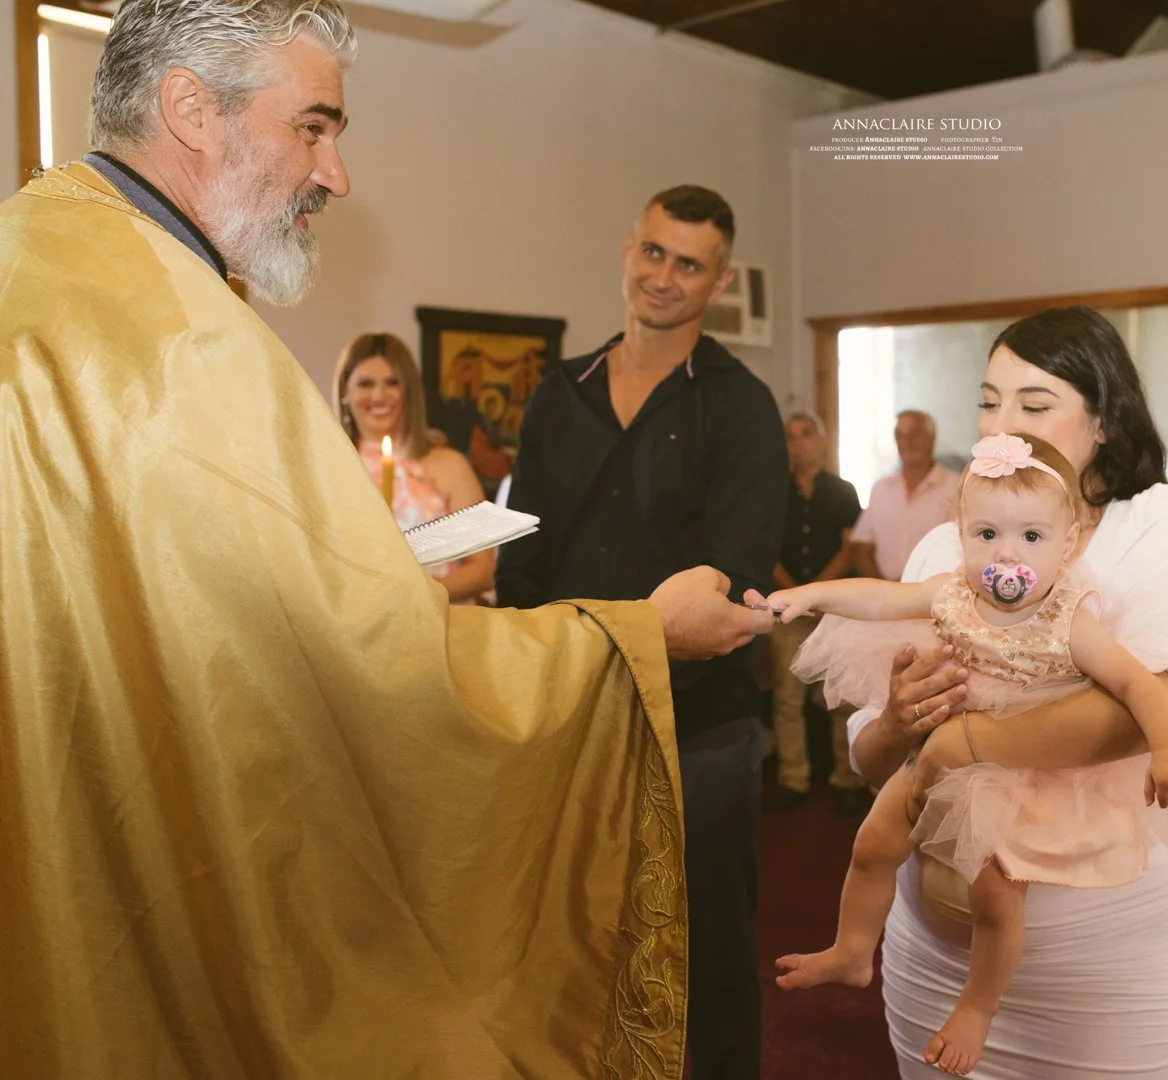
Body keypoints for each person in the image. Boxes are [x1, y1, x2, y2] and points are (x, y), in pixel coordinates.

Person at [0, 3, 773, 1075]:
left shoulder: (41, 253)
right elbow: (367, 663)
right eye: (314, 127)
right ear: (189, 107)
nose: (338, 174)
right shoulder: (184, 339)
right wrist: (633, 638)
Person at [844, 307, 1168, 1078]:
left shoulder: (1154, 521)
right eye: (989, 401)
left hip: (1105, 960)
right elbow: (868, 757)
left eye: (1034, 403)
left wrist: (961, 743)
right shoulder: (952, 539)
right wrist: (896, 722)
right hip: (937, 961)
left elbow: (1167, 701)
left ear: (1103, 421)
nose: (1002, 428)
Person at [770, 432, 1168, 1075]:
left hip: (1018, 772)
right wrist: (810, 596)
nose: (1008, 555)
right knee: (872, 843)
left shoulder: (1067, 621)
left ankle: (978, 1006)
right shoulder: (952, 595)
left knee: (997, 896)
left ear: (1069, 541)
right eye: (987, 536)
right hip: (942, 756)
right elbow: (882, 597)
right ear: (961, 534)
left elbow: (1139, 685)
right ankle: (853, 950)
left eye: (1031, 538)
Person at [495, 186, 787, 1080]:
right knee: (572, 937)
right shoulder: (561, 393)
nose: (664, 277)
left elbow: (728, 589)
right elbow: (524, 559)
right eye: (654, 252)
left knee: (705, 951)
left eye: (689, 264)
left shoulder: (740, 408)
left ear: (720, 281)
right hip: (572, 708)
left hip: (699, 722)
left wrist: (621, 647)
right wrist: (523, 675)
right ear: (628, 247)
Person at [333, 331, 493, 603]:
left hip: (442, 621)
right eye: (365, 383)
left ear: (409, 391)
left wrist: (419, 596)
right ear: (345, 392)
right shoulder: (329, 468)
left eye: (392, 382)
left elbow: (483, 568)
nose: (379, 395)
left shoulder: (450, 466)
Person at [766, 412, 867, 817]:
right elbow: (767, 548)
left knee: (843, 698)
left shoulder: (843, 492)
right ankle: (793, 777)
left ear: (822, 441)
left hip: (835, 610)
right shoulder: (774, 493)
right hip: (787, 611)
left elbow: (850, 548)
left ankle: (848, 778)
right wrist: (794, 595)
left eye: (806, 434)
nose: (798, 444)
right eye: (790, 437)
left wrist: (818, 595)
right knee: (786, 699)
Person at [850, 410, 960, 580]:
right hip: (883, 599)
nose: (907, 441)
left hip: (936, 595)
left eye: (914, 433)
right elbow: (862, 547)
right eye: (900, 435)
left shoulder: (957, 486)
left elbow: (962, 546)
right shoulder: (881, 489)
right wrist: (884, 591)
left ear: (932, 440)